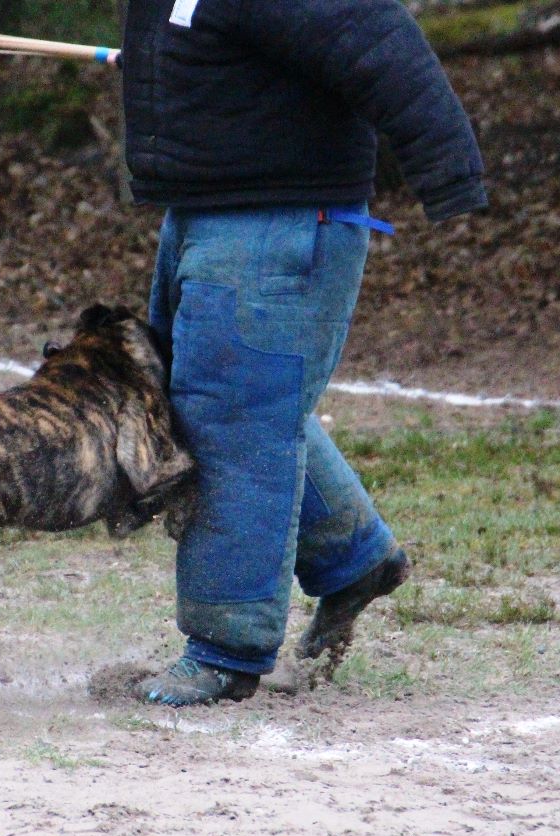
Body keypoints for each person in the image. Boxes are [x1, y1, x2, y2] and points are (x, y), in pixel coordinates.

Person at [119, 0, 488, 705]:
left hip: (279, 226)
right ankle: (351, 559)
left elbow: (376, 37)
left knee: (234, 429)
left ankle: (226, 650)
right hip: (208, 215)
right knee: (225, 409)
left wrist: (450, 174)